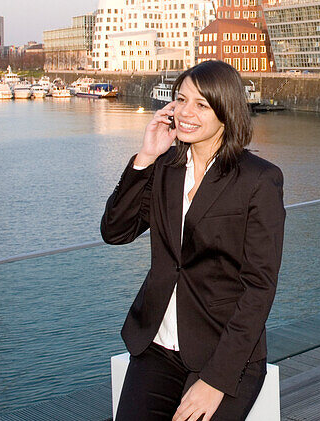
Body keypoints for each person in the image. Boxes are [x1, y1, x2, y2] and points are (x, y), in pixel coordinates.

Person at [101, 60, 285, 421]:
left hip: (225, 351)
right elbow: (115, 232)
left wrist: (216, 381)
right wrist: (145, 157)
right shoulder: (164, 167)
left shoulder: (258, 180)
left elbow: (259, 288)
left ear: (225, 110)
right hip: (156, 346)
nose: (185, 112)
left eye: (201, 105)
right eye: (181, 99)